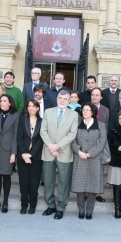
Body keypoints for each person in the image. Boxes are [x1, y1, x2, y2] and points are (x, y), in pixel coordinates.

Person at [40, 90, 78, 220]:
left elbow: (72, 134)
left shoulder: (73, 115)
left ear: (69, 101)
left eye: (65, 99)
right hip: (48, 152)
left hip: (64, 152)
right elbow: (43, 131)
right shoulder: (47, 112)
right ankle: (50, 205)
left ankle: (61, 207)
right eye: (60, 98)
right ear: (57, 99)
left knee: (63, 181)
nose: (62, 100)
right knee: (48, 181)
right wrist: (51, 147)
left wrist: (58, 146)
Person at [71, 102, 107, 220]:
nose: (85, 111)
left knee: (93, 186)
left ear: (93, 112)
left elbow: (101, 143)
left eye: (87, 110)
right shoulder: (76, 125)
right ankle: (81, 210)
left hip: (94, 159)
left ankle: (89, 211)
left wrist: (91, 153)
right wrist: (78, 151)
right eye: (83, 110)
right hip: (79, 158)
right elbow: (72, 140)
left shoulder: (101, 125)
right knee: (80, 186)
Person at [0, 94, 19, 214]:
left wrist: (14, 153)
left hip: (8, 150)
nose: (2, 103)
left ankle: (5, 202)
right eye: (0, 101)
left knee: (6, 176)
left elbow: (16, 135)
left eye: (4, 101)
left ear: (10, 103)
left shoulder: (15, 115)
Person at [17, 99, 43, 215]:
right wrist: (24, 154)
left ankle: (33, 205)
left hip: (36, 157)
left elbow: (41, 140)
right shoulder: (22, 120)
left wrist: (31, 154)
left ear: (38, 108)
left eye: (34, 106)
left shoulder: (42, 121)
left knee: (34, 183)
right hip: (22, 156)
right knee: (23, 182)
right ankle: (24, 205)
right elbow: (19, 137)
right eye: (29, 106)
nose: (31, 108)